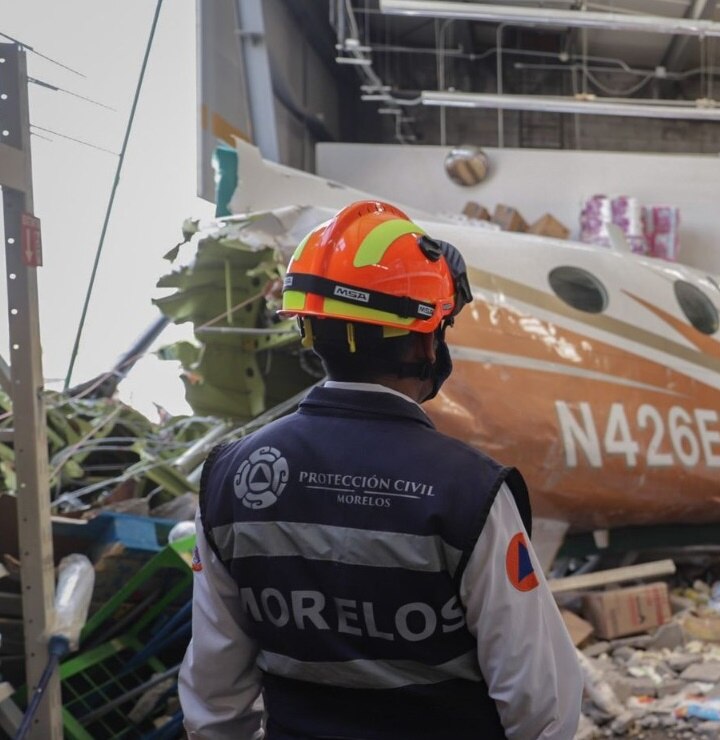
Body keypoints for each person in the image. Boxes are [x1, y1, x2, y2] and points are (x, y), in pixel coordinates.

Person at [179, 201, 582, 740]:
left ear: (310, 328)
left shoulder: (231, 478)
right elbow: (541, 704)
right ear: (425, 339)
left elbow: (213, 698)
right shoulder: (469, 492)